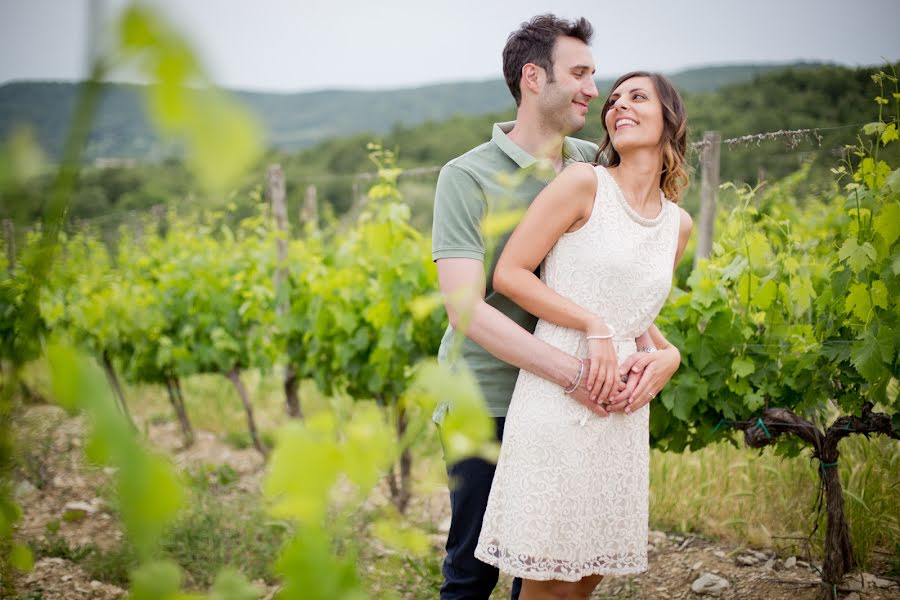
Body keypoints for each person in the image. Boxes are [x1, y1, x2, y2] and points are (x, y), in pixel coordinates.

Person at [432, 12, 682, 599]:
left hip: (571, 390)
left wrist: (664, 354)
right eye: (581, 74)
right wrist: (572, 371)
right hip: (489, 395)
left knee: (550, 563)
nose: (594, 91)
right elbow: (466, 310)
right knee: (473, 569)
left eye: (597, 76)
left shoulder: (592, 165)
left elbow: (616, 284)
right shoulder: (465, 178)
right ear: (533, 78)